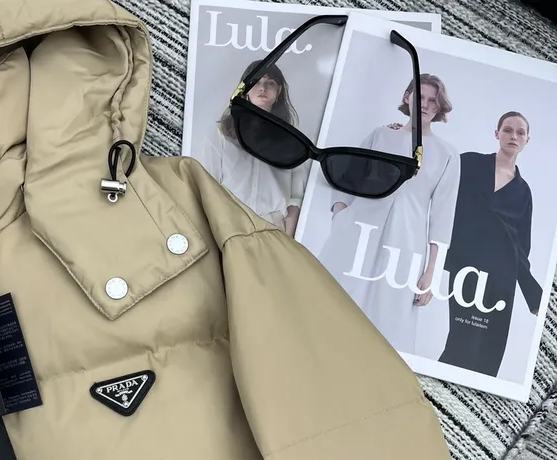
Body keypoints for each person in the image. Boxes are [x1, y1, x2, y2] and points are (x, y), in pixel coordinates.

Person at [318, 73, 460, 354]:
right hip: (357, 233)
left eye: (433, 100)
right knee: (334, 305)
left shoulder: (447, 154)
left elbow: (442, 218)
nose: (426, 104)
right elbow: (346, 178)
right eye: (420, 97)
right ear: (407, 97)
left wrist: (431, 273)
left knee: (388, 325)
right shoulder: (381, 135)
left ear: (440, 106)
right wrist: (340, 215)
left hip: (405, 245)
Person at [439, 111, 542, 376]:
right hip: (466, 268)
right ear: (497, 134)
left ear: (527, 140)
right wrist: (405, 131)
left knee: (489, 352)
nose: (513, 136)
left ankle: (473, 399)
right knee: (462, 343)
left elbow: (520, 246)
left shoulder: (523, 191)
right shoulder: (469, 163)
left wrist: (533, 295)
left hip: (502, 278)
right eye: (507, 130)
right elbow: (435, 178)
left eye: (520, 132)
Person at [201, 60, 309, 237]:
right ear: (245, 89)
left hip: (274, 228)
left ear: (279, 91)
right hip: (231, 225)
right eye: (256, 82)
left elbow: (296, 198)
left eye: (270, 83)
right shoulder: (221, 133)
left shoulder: (294, 140)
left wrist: (288, 241)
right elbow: (208, 186)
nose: (263, 88)